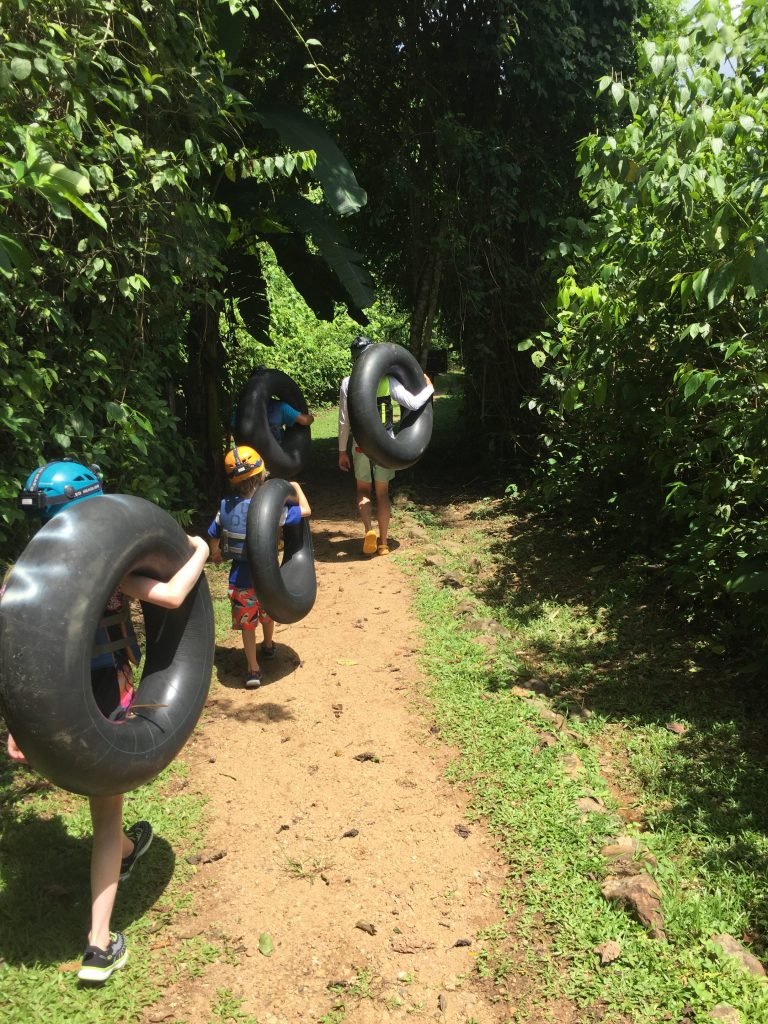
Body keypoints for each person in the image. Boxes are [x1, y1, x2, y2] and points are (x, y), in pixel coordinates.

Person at [5, 459, 210, 984]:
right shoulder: (114, 567)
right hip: (101, 697)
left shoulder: (20, 581)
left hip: (52, 706)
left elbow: (18, 657)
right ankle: (98, 946)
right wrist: (201, 551)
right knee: (105, 818)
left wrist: (19, 722)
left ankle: (125, 849)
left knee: (106, 814)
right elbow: (169, 594)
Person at [207, 446, 311, 688]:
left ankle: (253, 669)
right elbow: (305, 511)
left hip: (239, 580)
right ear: (262, 475)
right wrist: (296, 488)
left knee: (247, 625)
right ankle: (269, 645)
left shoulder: (226, 507)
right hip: (268, 582)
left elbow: (213, 533)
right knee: (268, 614)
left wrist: (215, 552)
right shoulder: (271, 509)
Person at [338, 335, 434, 556]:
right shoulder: (387, 381)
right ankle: (383, 543)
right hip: (386, 447)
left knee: (363, 490)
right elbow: (412, 403)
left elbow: (344, 421)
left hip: (361, 446)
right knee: (382, 494)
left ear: (354, 361)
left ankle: (368, 532)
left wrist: (342, 450)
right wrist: (428, 388)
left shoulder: (347, 382)